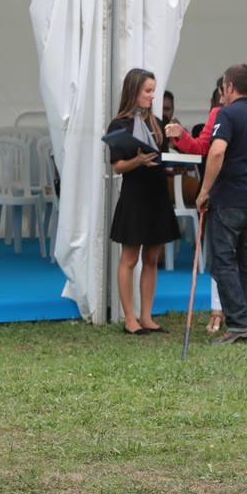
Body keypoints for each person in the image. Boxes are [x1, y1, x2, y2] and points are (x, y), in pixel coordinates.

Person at [169, 81, 247, 332]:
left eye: (223, 90)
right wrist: (182, 136)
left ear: (231, 89)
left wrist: (240, 171)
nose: (220, 97)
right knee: (225, 255)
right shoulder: (217, 114)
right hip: (228, 194)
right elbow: (204, 148)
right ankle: (218, 310)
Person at [195, 64, 247, 346]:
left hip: (230, 197)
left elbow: (217, 151)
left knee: (223, 262)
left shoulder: (226, 114)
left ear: (229, 86)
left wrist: (205, 190)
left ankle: (239, 323)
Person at [106, 68, 180, 336]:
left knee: (152, 257)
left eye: (153, 90)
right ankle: (129, 318)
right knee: (129, 258)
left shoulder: (158, 123)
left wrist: (174, 144)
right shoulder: (119, 125)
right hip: (135, 195)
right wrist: (137, 161)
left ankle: (147, 316)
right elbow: (117, 167)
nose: (152, 95)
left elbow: (165, 159)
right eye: (148, 90)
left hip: (158, 194)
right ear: (133, 91)